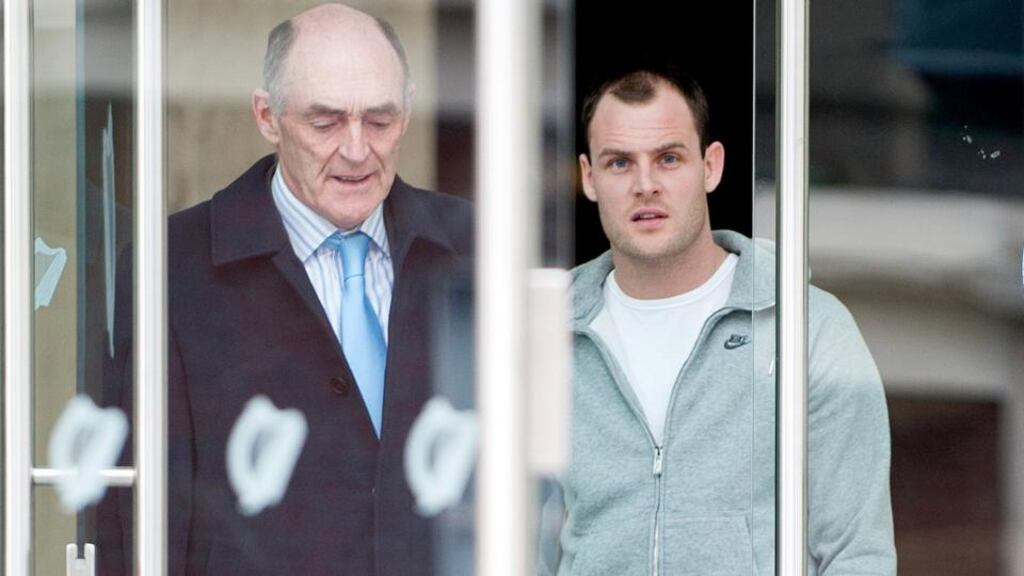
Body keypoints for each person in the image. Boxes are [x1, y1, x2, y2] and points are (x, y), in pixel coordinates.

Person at [98, 4, 472, 575]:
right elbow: (138, 516)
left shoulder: (477, 249)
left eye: (379, 121)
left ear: (408, 111)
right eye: (325, 123)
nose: (356, 149)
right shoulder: (171, 268)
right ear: (267, 117)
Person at [559, 66, 896, 575]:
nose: (645, 185)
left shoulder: (808, 327)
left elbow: (858, 554)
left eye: (668, 158)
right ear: (589, 177)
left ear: (710, 166)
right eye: (620, 163)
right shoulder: (548, 335)